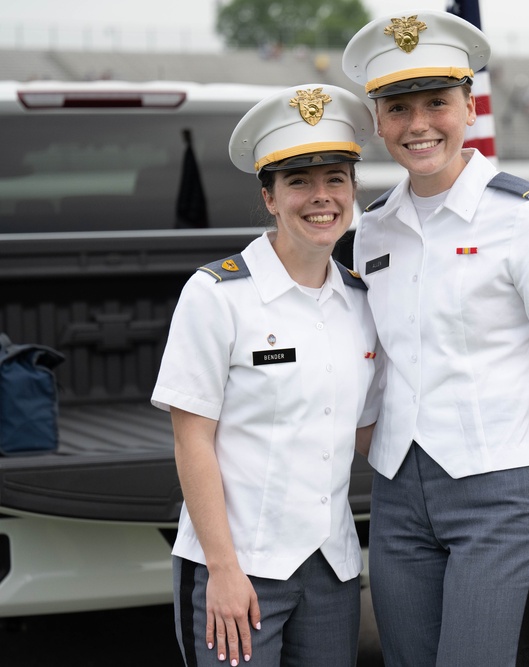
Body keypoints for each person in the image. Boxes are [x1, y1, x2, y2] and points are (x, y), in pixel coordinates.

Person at [342, 10, 529, 666]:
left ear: (468, 104)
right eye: (398, 107)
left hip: (505, 493)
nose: (419, 123)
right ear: (378, 120)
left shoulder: (528, 219)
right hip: (400, 495)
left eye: (438, 102)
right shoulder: (372, 229)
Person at [151, 83, 381, 667]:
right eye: (299, 181)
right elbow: (192, 439)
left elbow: (366, 431)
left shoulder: (361, 301)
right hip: (237, 569)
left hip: (331, 569)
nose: (320, 197)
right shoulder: (217, 296)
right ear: (270, 197)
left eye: (336, 179)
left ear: (354, 191)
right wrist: (223, 571)